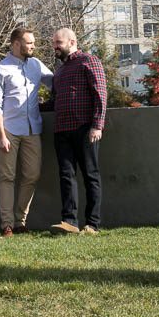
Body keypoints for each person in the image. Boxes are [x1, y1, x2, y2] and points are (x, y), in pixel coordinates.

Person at [0, 27, 54, 237]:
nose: (33, 46)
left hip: (33, 129)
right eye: (29, 42)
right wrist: (1, 136)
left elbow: (54, 83)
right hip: (10, 130)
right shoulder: (1, 69)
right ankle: (7, 225)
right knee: (7, 177)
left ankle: (20, 221)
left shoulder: (36, 65)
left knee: (32, 175)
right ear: (16, 44)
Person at [48, 27, 107, 235]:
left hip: (84, 128)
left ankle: (92, 224)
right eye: (54, 42)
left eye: (58, 42)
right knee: (66, 176)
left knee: (90, 175)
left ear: (72, 42)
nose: (55, 46)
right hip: (61, 130)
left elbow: (100, 94)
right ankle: (69, 222)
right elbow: (54, 102)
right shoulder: (60, 70)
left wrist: (97, 125)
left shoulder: (88, 61)